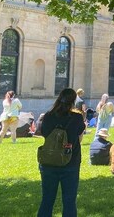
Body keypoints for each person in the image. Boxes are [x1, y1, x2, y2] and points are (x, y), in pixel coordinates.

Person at [37, 88, 86, 217]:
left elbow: (45, 135)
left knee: (47, 200)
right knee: (69, 201)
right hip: (70, 162)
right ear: (73, 101)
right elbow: (79, 138)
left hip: (49, 161)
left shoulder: (48, 116)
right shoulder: (77, 117)